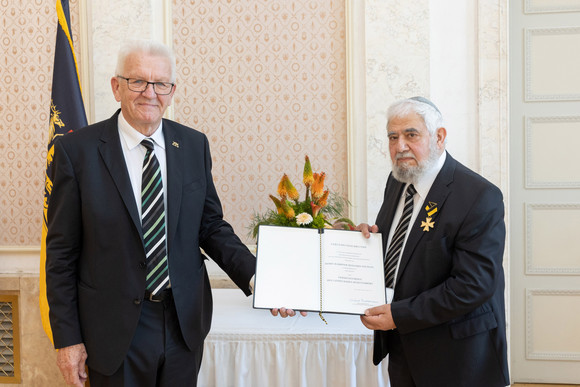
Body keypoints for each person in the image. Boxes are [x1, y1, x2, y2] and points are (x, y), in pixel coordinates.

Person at [45, 39, 256, 387]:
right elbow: (61, 254)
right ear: (116, 87)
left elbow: (211, 227)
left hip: (182, 324)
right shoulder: (75, 152)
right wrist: (67, 339)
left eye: (161, 84)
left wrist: (257, 278)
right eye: (138, 81)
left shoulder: (192, 145)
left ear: (172, 91)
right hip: (112, 332)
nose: (150, 93)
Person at [357, 97, 509, 386]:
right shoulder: (398, 181)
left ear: (439, 137)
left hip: (458, 357)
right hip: (404, 347)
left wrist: (399, 315)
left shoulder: (479, 196)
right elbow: (403, 249)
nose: (400, 146)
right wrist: (367, 241)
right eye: (393, 137)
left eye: (411, 135)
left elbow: (473, 285)